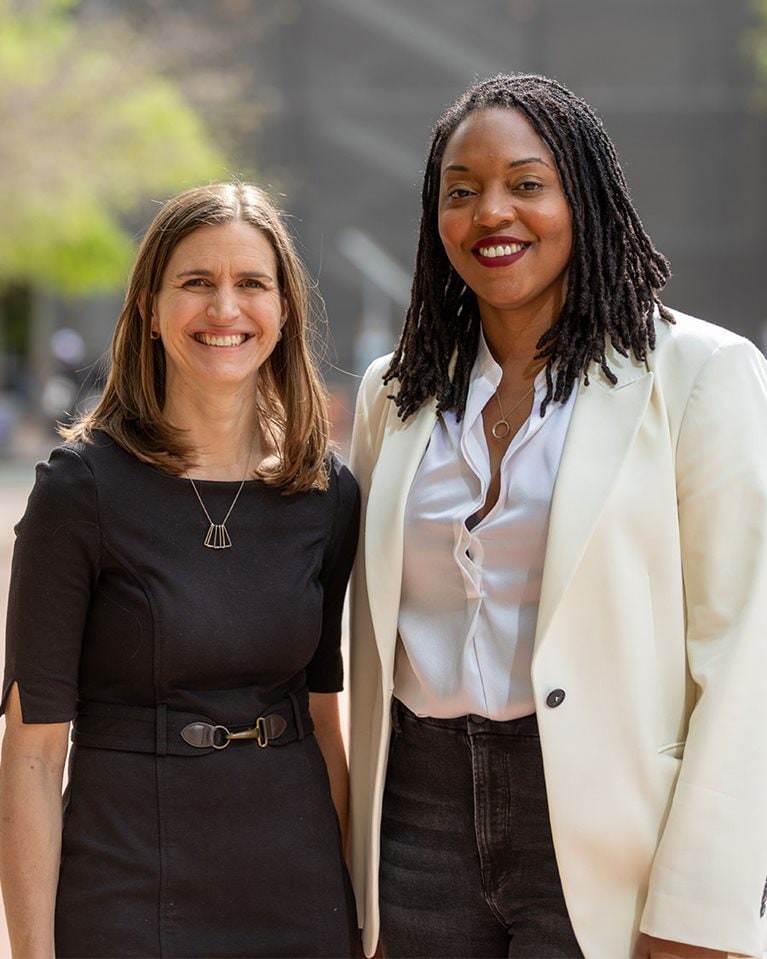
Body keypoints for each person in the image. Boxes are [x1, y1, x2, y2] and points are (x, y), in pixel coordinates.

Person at [348, 73, 767, 959]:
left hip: (607, 828)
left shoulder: (698, 373)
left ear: (585, 199)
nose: (490, 212)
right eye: (460, 193)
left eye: (526, 184)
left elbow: (746, 657)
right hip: (414, 825)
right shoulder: (394, 393)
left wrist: (701, 905)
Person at [0, 182, 360, 958]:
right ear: (148, 309)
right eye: (196, 282)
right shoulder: (80, 490)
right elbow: (31, 756)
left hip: (297, 889)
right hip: (127, 886)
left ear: (285, 309)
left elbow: (326, 722)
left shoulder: (325, 493)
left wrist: (353, 903)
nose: (224, 309)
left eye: (250, 283)